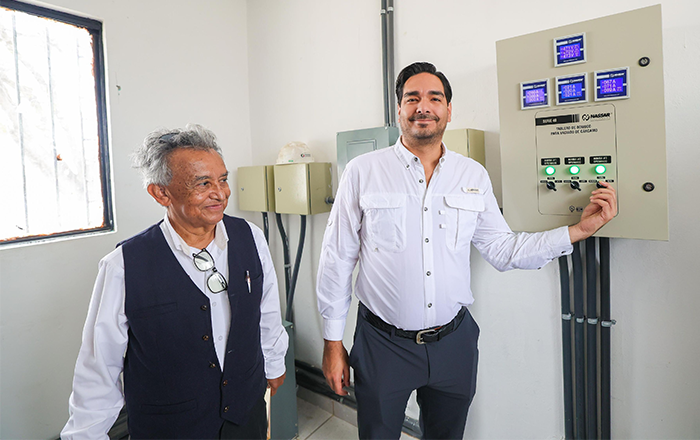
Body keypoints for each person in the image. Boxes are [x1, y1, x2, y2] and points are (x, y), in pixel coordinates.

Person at [316, 62, 617, 440]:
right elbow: (337, 258)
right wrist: (332, 343)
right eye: (412, 98)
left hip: (453, 343)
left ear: (448, 110)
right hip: (383, 345)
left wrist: (578, 231)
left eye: (434, 98)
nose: (423, 106)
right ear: (399, 109)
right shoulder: (363, 171)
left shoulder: (472, 175)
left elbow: (503, 249)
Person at [61, 124, 288, 440]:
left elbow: (267, 311)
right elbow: (99, 366)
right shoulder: (123, 266)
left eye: (223, 180)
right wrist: (86, 434)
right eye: (203, 183)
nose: (220, 193)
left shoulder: (250, 237)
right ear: (161, 193)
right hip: (170, 426)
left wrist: (274, 364)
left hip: (244, 415)